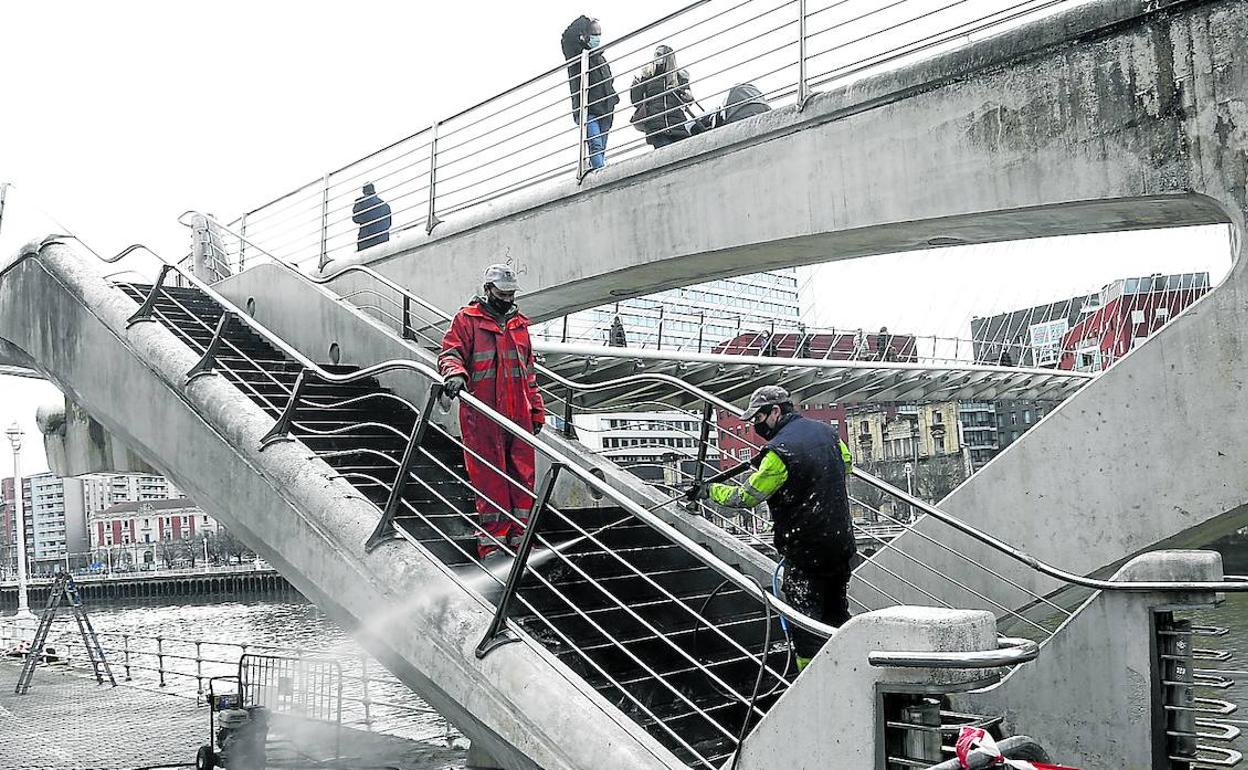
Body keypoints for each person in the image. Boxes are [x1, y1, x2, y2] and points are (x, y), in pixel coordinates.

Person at [686, 385, 856, 670]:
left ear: (775, 411)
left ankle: (811, 684)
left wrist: (709, 491)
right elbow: (847, 465)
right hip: (840, 548)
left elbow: (745, 497)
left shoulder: (779, 453)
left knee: (806, 626)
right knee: (837, 615)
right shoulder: (828, 433)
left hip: (805, 554)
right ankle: (850, 669)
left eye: (758, 418)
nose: (755, 426)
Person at [439, 264, 545, 560]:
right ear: (488, 291)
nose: (508, 299)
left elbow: (529, 374)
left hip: (518, 414)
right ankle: (492, 543)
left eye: (511, 294)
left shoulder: (519, 325)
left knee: (523, 477)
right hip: (482, 415)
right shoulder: (467, 320)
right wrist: (455, 373)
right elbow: (450, 352)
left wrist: (536, 411)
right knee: (490, 477)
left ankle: (520, 538)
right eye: (502, 294)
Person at [561, 16, 619, 171]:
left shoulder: (601, 59)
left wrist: (613, 101)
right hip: (589, 110)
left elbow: (609, 82)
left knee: (600, 149)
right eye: (594, 33)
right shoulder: (577, 54)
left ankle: (595, 170)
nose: (597, 38)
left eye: (599, 34)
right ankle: (600, 174)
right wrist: (585, 19)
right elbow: (567, 37)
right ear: (586, 34)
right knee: (595, 145)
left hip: (605, 111)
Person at [629, 45, 695, 149]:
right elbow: (636, 101)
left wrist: (688, 97)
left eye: (659, 54)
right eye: (655, 55)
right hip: (656, 126)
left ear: (668, 57)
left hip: (677, 125)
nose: (656, 57)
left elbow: (688, 99)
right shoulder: (648, 75)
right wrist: (635, 87)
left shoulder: (679, 77)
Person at [352, 183, 392, 251]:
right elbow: (389, 223)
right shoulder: (385, 205)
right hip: (383, 240)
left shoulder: (361, 202)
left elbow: (355, 219)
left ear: (363, 192)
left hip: (367, 241)